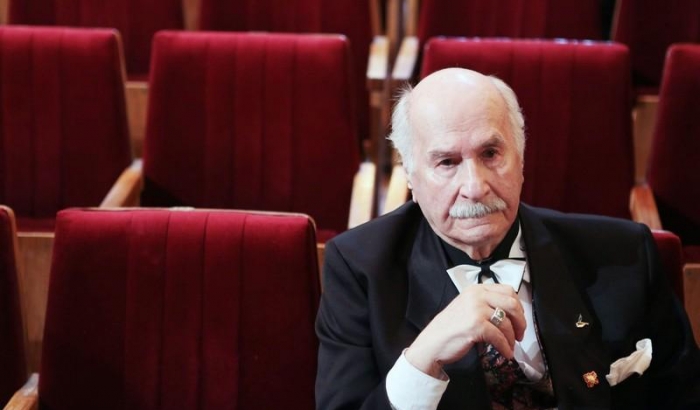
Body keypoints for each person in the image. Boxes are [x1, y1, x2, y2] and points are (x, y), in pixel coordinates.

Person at [315, 67, 700, 409]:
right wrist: (423, 358)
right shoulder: (360, 269)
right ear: (411, 178)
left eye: (490, 153)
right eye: (447, 162)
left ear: (521, 159)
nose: (475, 187)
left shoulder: (625, 255)